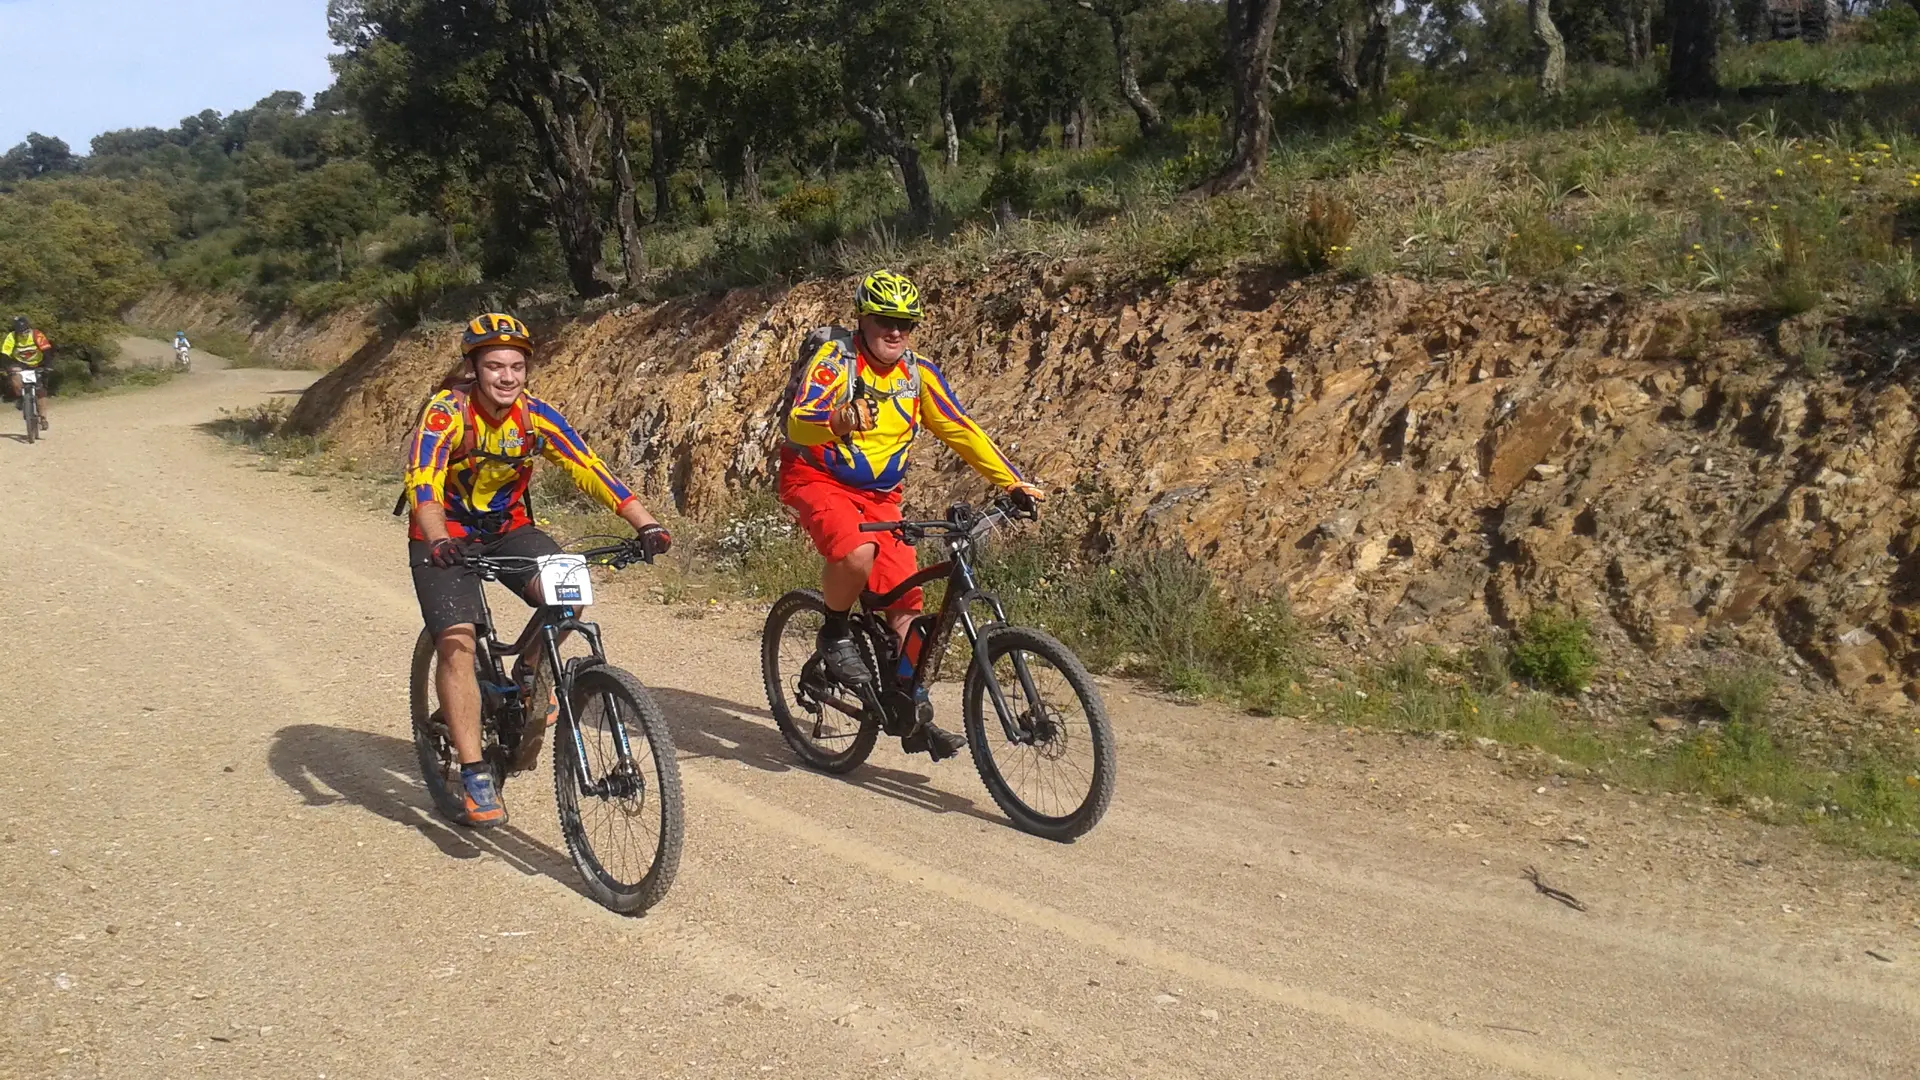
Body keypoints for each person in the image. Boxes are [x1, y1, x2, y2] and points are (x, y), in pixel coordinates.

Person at [404, 312, 671, 828]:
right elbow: (424, 482)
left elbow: (589, 466)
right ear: (474, 369)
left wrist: (646, 523)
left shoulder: (535, 416)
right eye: (494, 366)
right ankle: (475, 771)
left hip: (509, 527)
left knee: (569, 590)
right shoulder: (447, 413)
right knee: (457, 639)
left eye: (517, 367)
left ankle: (528, 673)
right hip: (443, 533)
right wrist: (438, 539)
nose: (506, 377)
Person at [782, 270, 1044, 761]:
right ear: (862, 317)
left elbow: (960, 428)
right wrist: (837, 420)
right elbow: (799, 420)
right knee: (856, 551)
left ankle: (908, 708)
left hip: (882, 497)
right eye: (885, 319)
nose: (896, 330)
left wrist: (1010, 480)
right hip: (817, 478)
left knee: (909, 615)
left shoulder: (916, 374)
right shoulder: (836, 361)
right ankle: (835, 629)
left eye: (906, 321)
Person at [3, 316, 53, 430]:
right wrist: (7, 367)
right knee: (14, 378)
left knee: (41, 391)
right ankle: (21, 398)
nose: (23, 335)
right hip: (21, 364)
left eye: (25, 332)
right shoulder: (11, 337)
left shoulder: (36, 334)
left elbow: (46, 350)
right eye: (20, 333)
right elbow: (5, 354)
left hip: (38, 363)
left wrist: (47, 366)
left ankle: (43, 418)